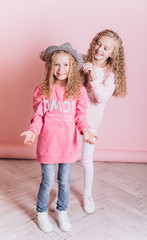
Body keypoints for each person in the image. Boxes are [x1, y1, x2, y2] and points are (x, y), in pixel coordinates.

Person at [20, 42, 97, 233]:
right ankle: (41, 213)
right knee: (47, 182)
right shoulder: (42, 90)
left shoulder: (78, 91)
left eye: (65, 65)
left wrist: (86, 130)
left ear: (72, 67)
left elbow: (80, 117)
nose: (60, 69)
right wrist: (32, 130)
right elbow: (38, 116)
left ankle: (62, 211)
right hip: (48, 145)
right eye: (56, 64)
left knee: (64, 182)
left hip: (68, 146)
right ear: (49, 67)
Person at [80, 29, 127, 214]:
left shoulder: (110, 74)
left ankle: (87, 195)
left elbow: (99, 98)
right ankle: (61, 194)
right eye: (98, 43)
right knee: (64, 158)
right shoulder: (83, 61)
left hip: (91, 121)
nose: (99, 49)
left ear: (112, 54)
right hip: (71, 118)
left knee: (86, 159)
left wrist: (92, 75)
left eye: (106, 48)